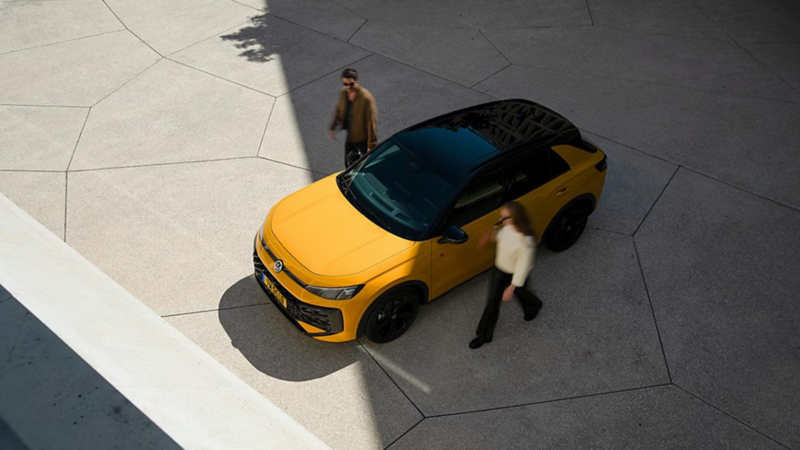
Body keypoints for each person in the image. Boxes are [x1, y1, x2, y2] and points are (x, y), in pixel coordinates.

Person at [471, 202, 543, 349]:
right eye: (501, 217)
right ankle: (484, 336)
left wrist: (511, 287)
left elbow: (523, 268)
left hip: (515, 275)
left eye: (504, 218)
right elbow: (501, 238)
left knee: (522, 293)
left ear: (515, 218)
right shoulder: (506, 228)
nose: (501, 220)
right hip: (500, 270)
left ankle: (534, 305)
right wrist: (489, 237)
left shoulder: (526, 241)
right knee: (492, 303)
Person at [327, 68, 377, 167]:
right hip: (350, 137)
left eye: (351, 84)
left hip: (362, 140)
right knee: (347, 163)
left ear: (356, 80)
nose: (348, 87)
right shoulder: (343, 93)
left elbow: (371, 122)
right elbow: (338, 110)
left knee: (362, 166)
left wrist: (371, 145)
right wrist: (332, 127)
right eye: (345, 84)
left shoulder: (366, 98)